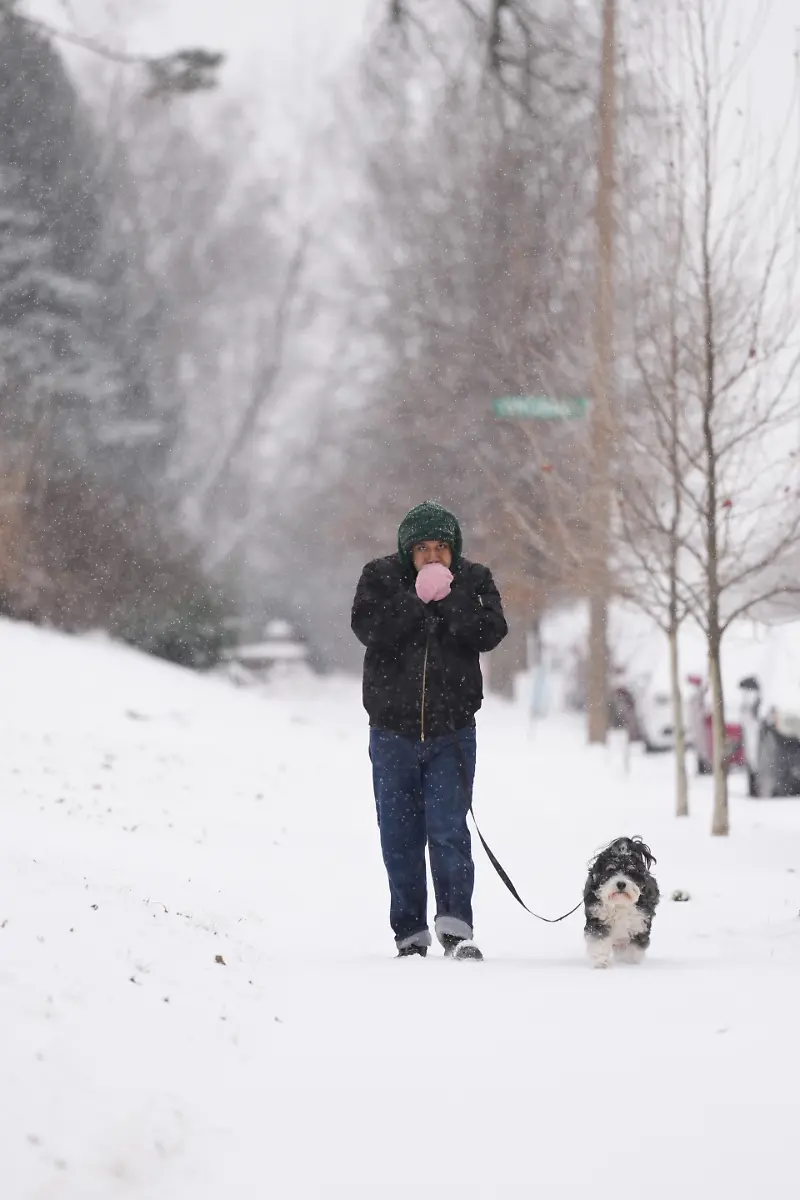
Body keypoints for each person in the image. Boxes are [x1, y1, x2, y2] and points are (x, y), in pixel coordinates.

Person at [351, 500, 508, 960]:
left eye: (442, 547)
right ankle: (410, 934)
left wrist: (451, 598)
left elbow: (490, 631)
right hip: (392, 734)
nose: (434, 556)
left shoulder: (475, 580)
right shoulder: (378, 577)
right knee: (399, 836)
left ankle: (457, 929)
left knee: (447, 830)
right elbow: (368, 628)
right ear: (407, 551)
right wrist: (414, 600)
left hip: (452, 733)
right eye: (423, 548)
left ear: (455, 549)